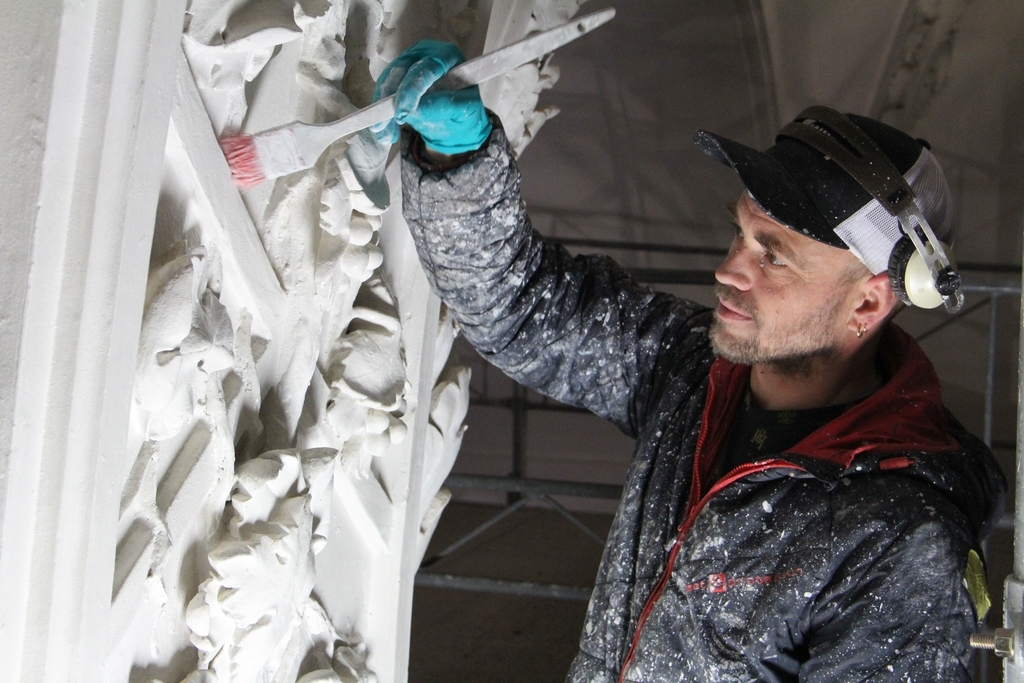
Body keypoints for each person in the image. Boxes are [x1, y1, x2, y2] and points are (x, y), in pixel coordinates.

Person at [373, 40, 1007, 682]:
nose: (729, 269)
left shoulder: (896, 542)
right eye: (741, 232)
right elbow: (521, 302)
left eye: (773, 254)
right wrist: (459, 156)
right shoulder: (695, 374)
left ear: (867, 303)